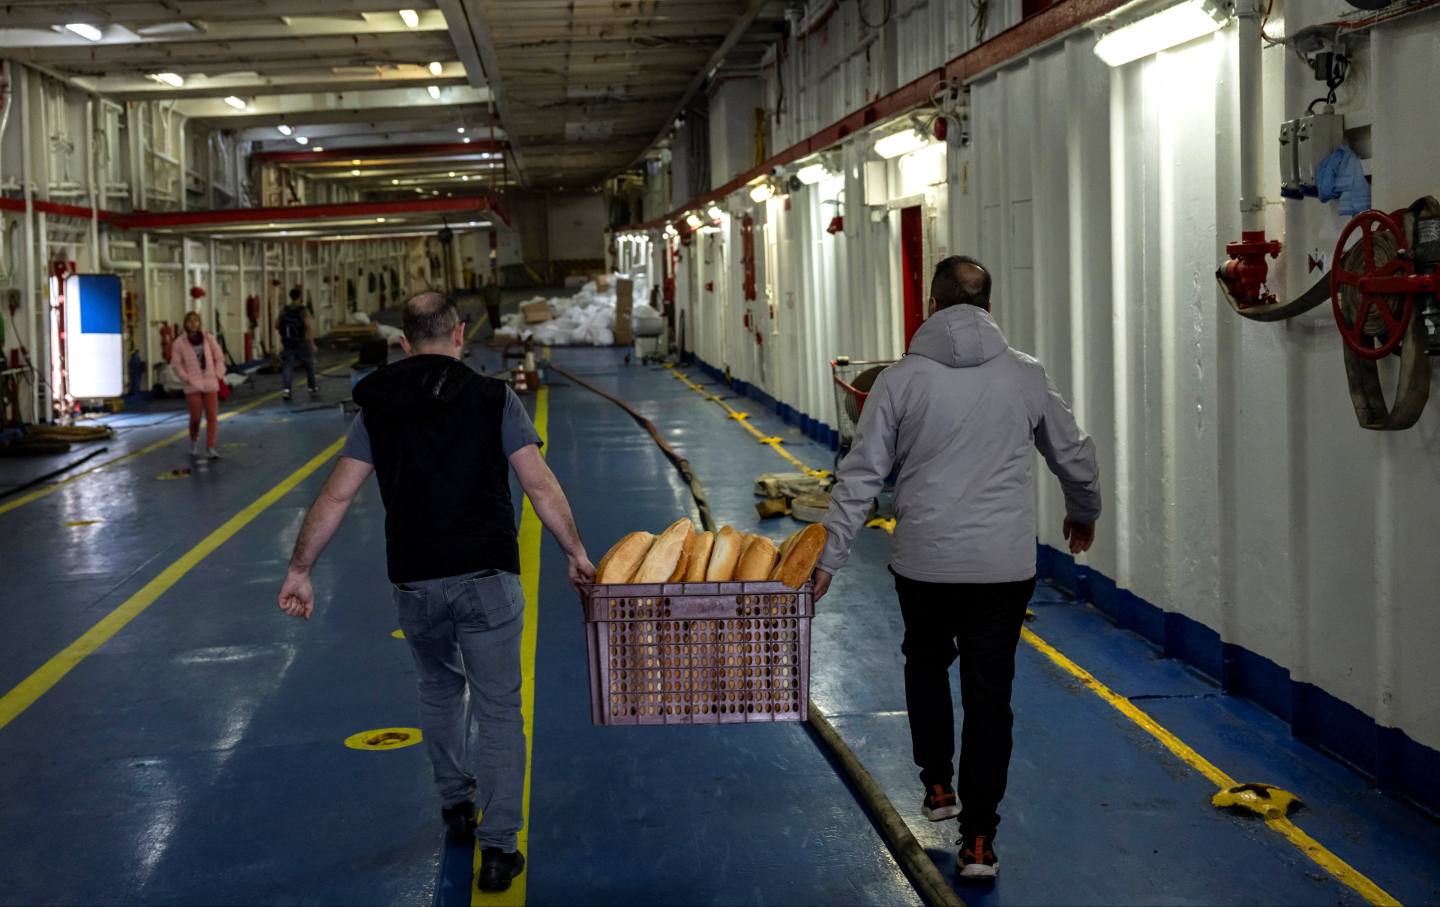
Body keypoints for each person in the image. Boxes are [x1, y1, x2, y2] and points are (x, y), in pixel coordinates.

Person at [276, 291, 595, 894]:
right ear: (459, 336)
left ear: (403, 343)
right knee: (499, 709)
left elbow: (338, 495)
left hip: (416, 580)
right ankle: (499, 849)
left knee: (439, 689)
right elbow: (539, 486)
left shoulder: (377, 408)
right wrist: (576, 553)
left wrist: (300, 569)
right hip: (487, 576)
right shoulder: (493, 398)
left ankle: (455, 804)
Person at [813, 256, 1101, 881]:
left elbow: (860, 476)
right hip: (1002, 566)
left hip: (925, 563)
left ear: (933, 306)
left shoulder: (899, 380)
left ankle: (937, 783)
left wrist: (829, 558)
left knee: (924, 661)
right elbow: (1072, 451)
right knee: (990, 696)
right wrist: (1085, 512)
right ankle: (979, 843)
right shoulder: (1025, 375)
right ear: (989, 308)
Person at [169, 310, 226, 460]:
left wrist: (218, 374)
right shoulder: (179, 343)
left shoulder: (209, 339)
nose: (193, 323)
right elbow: (176, 364)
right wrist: (185, 378)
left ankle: (210, 447)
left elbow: (219, 357)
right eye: (190, 321)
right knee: (195, 417)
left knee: (212, 416)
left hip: (210, 381)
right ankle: (193, 441)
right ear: (185, 324)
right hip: (192, 384)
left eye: (196, 320)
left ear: (200, 323)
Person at [276, 286, 318, 401]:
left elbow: (276, 325)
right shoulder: (303, 310)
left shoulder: (284, 310)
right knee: (309, 364)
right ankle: (312, 386)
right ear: (300, 297)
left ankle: (287, 390)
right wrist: (312, 343)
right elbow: (308, 327)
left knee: (288, 367)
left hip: (288, 343)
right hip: (301, 342)